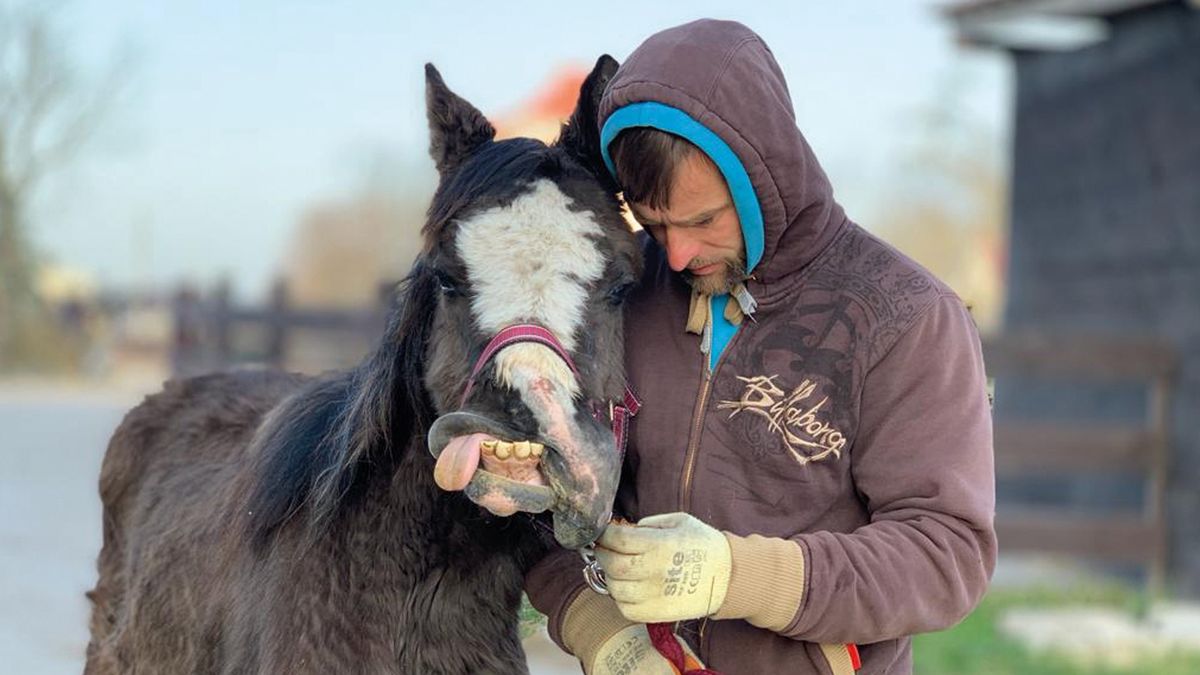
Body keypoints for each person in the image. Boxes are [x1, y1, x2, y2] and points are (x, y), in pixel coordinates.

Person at [442, 19, 996, 675]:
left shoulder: (907, 318)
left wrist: (740, 574)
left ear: (766, 178)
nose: (676, 253)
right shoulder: (620, 291)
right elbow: (548, 502)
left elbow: (946, 553)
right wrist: (605, 636)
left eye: (703, 220)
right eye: (654, 223)